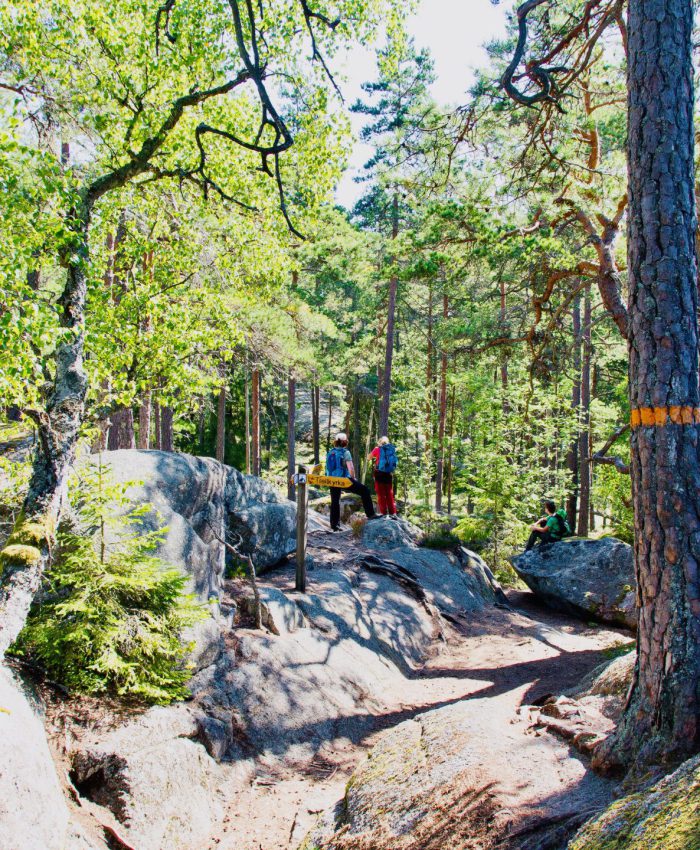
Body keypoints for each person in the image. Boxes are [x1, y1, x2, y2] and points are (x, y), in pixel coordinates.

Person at [326, 432, 379, 531]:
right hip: (343, 479)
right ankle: (370, 514)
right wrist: (353, 478)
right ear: (345, 442)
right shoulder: (345, 452)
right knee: (364, 491)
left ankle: (335, 526)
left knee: (335, 501)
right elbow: (351, 468)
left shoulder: (330, 452)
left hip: (331, 480)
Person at [368, 436, 398, 517]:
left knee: (381, 494)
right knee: (389, 493)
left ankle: (384, 513)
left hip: (379, 473)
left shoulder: (377, 449)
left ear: (380, 442)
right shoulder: (391, 449)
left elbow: (369, 458)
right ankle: (392, 513)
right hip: (388, 473)